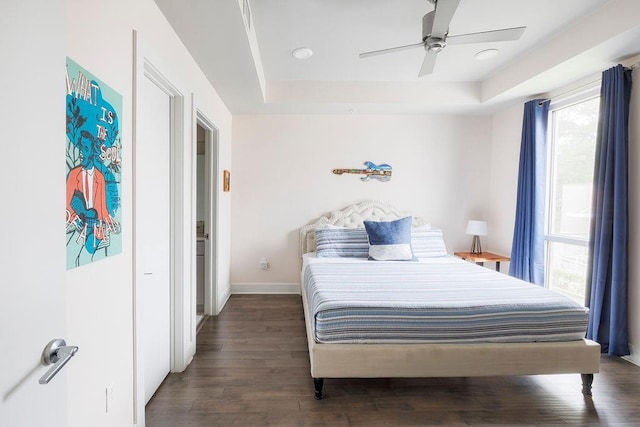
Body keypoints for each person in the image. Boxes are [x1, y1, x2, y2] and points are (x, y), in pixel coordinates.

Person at [66, 131, 111, 250]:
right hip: (77, 227)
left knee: (92, 249)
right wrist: (76, 221)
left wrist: (110, 224)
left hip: (94, 226)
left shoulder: (100, 178)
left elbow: (102, 209)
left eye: (85, 148)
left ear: (92, 152)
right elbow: (66, 207)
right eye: (80, 148)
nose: (81, 152)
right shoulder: (72, 175)